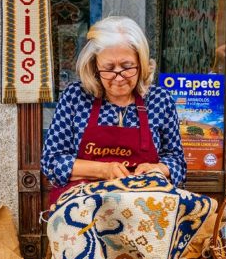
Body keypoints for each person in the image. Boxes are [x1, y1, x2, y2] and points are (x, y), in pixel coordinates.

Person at [41, 16, 186, 206]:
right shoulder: (76, 97)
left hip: (144, 209)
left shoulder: (159, 100)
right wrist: (104, 171)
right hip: (84, 210)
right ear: (94, 67)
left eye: (127, 67)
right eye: (109, 68)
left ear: (141, 63)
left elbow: (177, 162)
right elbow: (51, 162)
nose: (118, 77)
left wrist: (158, 169)